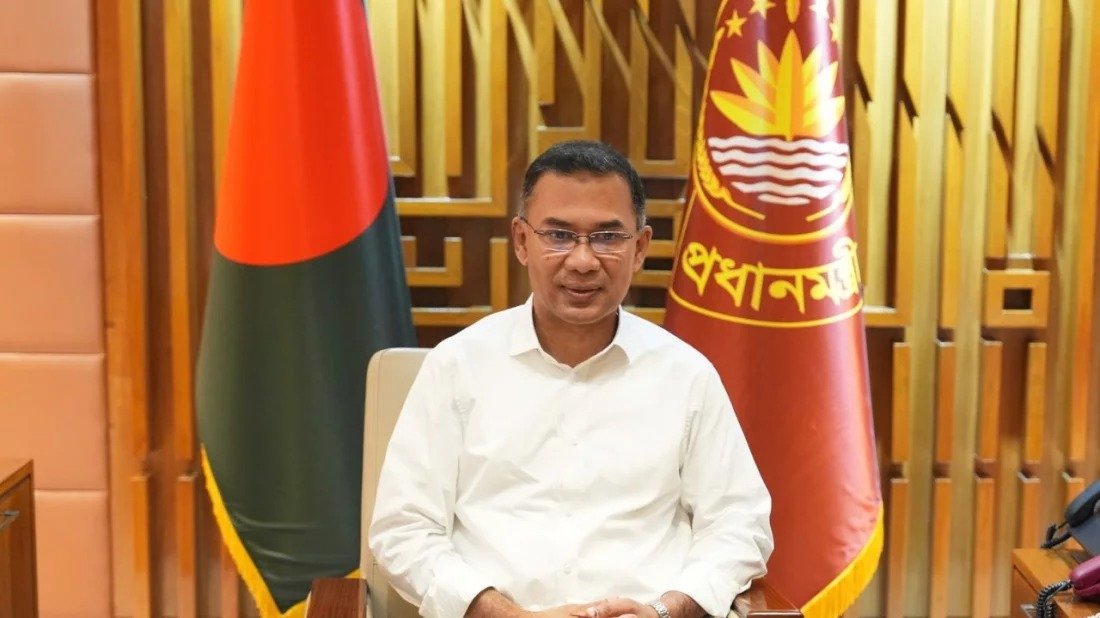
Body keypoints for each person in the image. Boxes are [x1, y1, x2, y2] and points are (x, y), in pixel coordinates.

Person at [368, 140, 773, 618]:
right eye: (559, 235)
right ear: (522, 241)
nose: (583, 261)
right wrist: (505, 615)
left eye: (607, 237)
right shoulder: (457, 366)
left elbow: (739, 525)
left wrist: (666, 610)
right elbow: (404, 530)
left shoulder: (686, 375)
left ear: (640, 248)